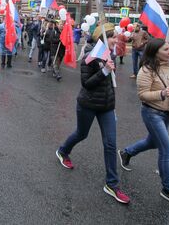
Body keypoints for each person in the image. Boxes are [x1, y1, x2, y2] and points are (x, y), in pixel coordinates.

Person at [118, 39, 169, 211]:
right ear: (155, 51)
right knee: (166, 149)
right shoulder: (146, 70)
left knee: (153, 142)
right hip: (152, 114)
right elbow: (142, 95)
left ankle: (126, 152)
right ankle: (168, 189)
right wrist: (162, 93)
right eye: (166, 49)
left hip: (168, 114)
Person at [55, 23, 131, 205]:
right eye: (112, 37)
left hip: (106, 107)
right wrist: (105, 71)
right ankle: (63, 151)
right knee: (82, 134)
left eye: (116, 36)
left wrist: (113, 107)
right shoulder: (91, 54)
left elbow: (110, 86)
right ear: (102, 37)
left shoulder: (110, 53)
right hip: (87, 104)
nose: (116, 40)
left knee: (111, 144)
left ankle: (112, 184)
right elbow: (86, 83)